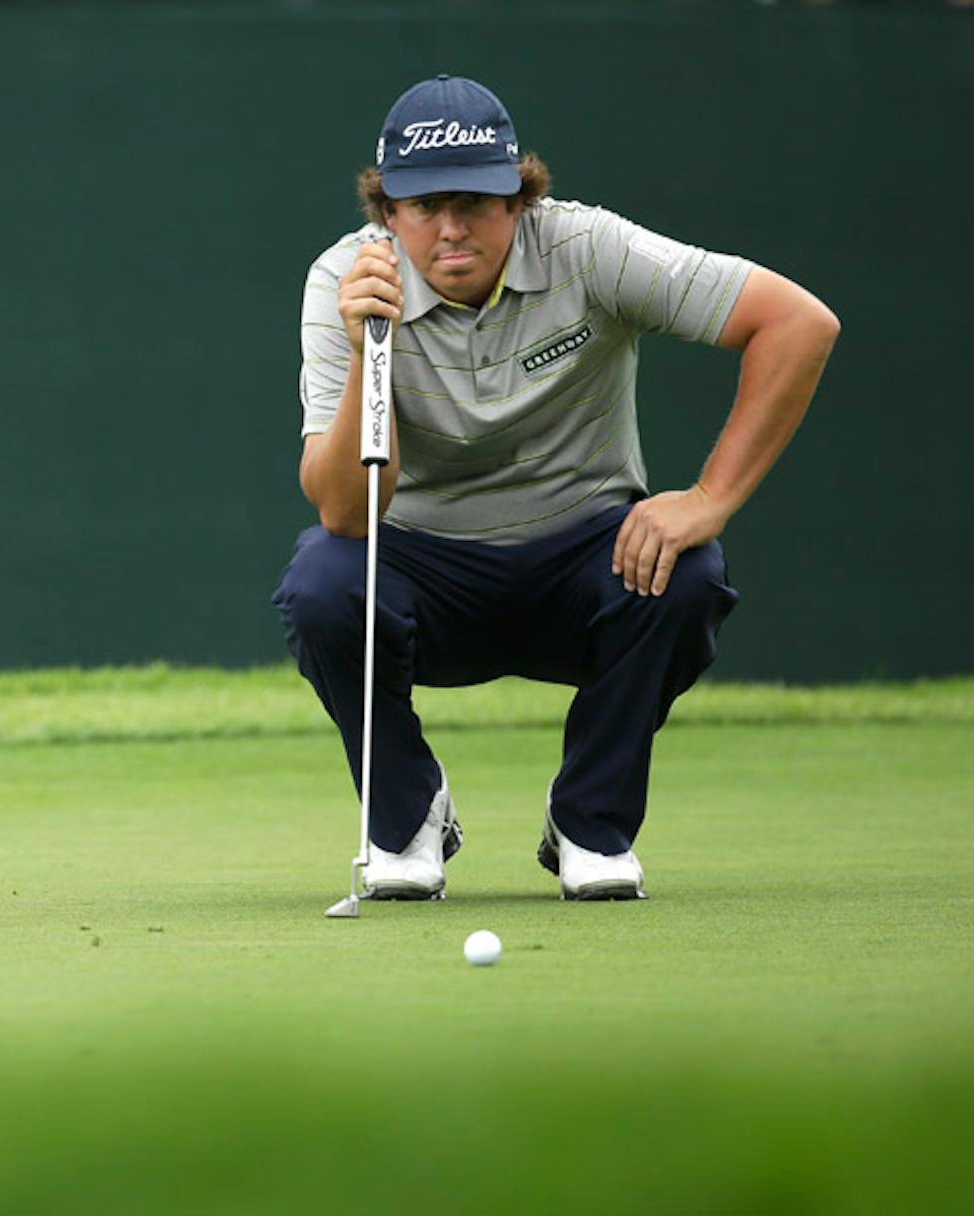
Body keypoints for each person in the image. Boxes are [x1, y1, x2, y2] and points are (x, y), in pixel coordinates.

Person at [272, 75, 838, 901]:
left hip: (581, 557)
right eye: (424, 206)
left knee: (688, 571)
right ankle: (405, 817)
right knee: (323, 584)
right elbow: (346, 509)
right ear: (386, 213)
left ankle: (590, 822)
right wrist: (370, 352)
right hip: (425, 567)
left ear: (521, 200)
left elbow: (798, 323)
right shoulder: (345, 282)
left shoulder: (585, 247)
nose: (452, 227)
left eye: (476, 200)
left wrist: (709, 498)